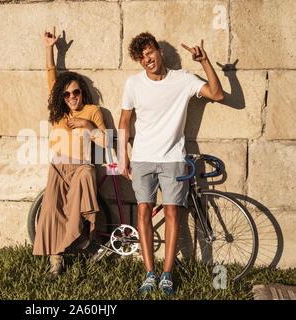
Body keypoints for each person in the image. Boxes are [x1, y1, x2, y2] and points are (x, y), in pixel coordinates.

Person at [118, 32, 224, 296]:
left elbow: (217, 94)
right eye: (141, 57)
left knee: (174, 212)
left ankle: (167, 275)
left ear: (160, 51)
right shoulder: (133, 83)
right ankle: (149, 273)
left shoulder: (183, 79)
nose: (147, 60)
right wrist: (123, 155)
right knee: (143, 210)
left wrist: (205, 62)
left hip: (173, 158)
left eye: (150, 53)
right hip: (142, 157)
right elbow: (124, 121)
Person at [32, 27, 107, 280]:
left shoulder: (93, 111)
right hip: (58, 167)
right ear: (61, 96)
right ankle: (56, 262)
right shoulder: (60, 110)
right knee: (53, 211)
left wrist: (89, 127)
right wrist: (49, 48)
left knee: (85, 177)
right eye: (67, 94)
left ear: (82, 92)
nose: (72, 97)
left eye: (76, 92)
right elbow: (51, 75)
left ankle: (83, 233)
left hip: (81, 167)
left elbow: (107, 142)